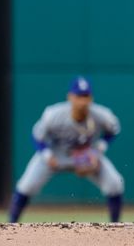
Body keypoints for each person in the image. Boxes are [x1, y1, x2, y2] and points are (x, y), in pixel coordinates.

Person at [9, 76, 124, 223]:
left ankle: (115, 226)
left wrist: (98, 150)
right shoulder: (53, 114)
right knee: (26, 186)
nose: (82, 101)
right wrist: (46, 154)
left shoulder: (101, 115)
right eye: (78, 96)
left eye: (85, 96)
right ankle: (10, 226)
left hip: (87, 156)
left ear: (91, 98)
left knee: (115, 183)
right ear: (70, 97)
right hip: (56, 155)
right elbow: (37, 136)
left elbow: (113, 130)